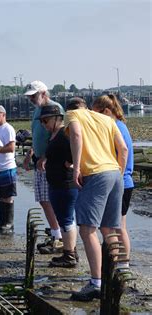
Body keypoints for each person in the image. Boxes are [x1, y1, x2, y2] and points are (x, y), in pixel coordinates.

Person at [65, 97, 128, 301]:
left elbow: (75, 134)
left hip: (95, 174)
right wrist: (119, 171)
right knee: (109, 228)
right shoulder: (107, 120)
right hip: (114, 172)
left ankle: (96, 283)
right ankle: (113, 277)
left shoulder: (72, 115)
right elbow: (124, 149)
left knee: (87, 229)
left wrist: (76, 168)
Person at [92, 94, 134, 271]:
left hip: (121, 182)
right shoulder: (119, 126)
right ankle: (121, 264)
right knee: (117, 226)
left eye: (97, 114)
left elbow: (122, 152)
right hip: (124, 181)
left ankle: (121, 264)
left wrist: (118, 176)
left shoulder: (115, 127)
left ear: (107, 111)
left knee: (114, 227)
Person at [23, 81, 64, 254]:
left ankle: (60, 236)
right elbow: (38, 135)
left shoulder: (55, 109)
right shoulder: (37, 111)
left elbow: (59, 134)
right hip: (39, 159)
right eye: (30, 96)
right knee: (43, 199)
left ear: (44, 92)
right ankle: (56, 233)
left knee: (53, 199)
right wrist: (31, 153)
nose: (32, 99)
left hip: (51, 161)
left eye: (34, 95)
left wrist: (47, 156)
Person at [39, 105, 79, 268]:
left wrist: (70, 164)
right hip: (56, 183)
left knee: (66, 219)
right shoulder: (54, 135)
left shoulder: (64, 134)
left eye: (46, 120)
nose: (43, 124)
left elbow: (76, 152)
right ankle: (70, 250)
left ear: (57, 118)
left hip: (65, 183)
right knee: (64, 219)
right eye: (42, 121)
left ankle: (69, 254)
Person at [0, 105, 17, 234]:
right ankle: (2, 220)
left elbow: (11, 148)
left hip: (7, 166)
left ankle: (8, 222)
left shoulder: (8, 128)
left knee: (8, 196)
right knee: (0, 195)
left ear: (3, 115)